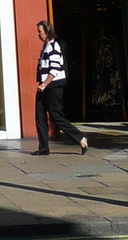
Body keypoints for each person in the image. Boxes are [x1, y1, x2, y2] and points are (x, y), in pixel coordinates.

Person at [33, 21, 88, 155]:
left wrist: (45, 84)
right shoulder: (46, 46)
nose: (38, 34)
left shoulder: (54, 46)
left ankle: (80, 138)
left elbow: (55, 68)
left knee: (56, 117)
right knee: (40, 116)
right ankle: (43, 147)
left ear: (46, 32)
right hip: (44, 86)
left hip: (53, 86)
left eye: (40, 31)